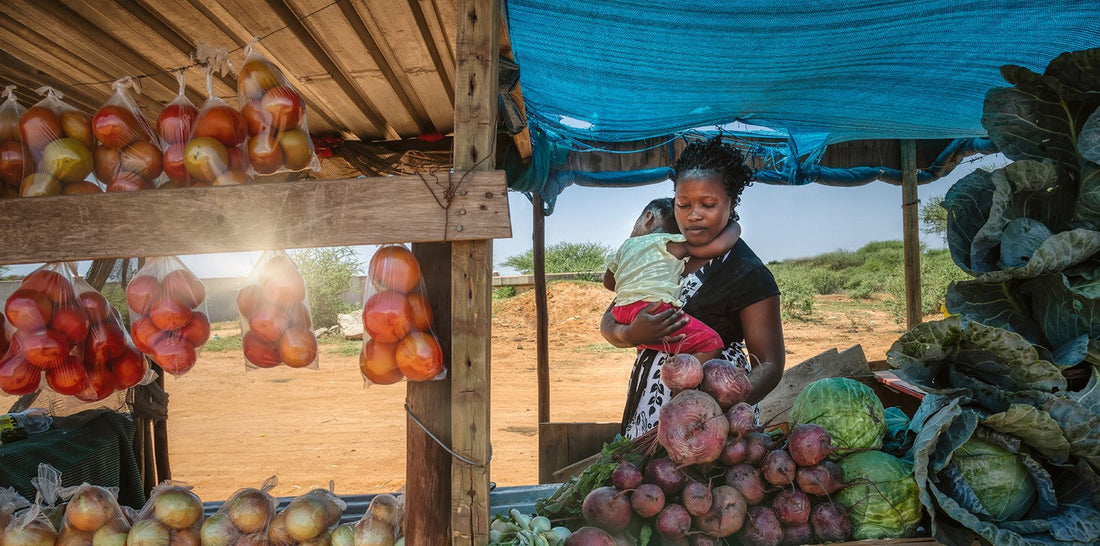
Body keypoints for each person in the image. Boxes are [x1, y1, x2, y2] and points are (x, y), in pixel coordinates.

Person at [600, 136, 785, 439]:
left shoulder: (748, 272)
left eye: (708, 204)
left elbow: (770, 365)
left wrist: (716, 406)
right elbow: (612, 317)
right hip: (649, 410)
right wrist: (630, 334)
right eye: (683, 204)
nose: (694, 214)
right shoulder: (661, 250)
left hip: (708, 424)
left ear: (731, 203)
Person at [602, 197, 742, 363]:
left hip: (621, 312)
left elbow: (608, 282)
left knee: (650, 344)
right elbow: (717, 248)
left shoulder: (625, 247)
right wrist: (735, 227)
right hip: (656, 310)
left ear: (647, 217)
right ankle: (681, 382)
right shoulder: (671, 244)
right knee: (712, 344)